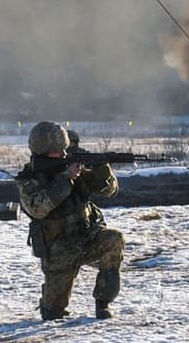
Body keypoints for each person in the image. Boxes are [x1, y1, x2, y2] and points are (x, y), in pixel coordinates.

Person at [15, 121, 125, 321]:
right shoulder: (30, 178)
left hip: (87, 238)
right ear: (43, 152)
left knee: (114, 239)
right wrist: (66, 178)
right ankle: (50, 303)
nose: (63, 154)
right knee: (53, 314)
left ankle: (103, 303)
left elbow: (110, 191)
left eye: (64, 149)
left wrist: (102, 169)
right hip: (59, 251)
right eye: (58, 151)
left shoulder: (73, 165)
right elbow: (38, 209)